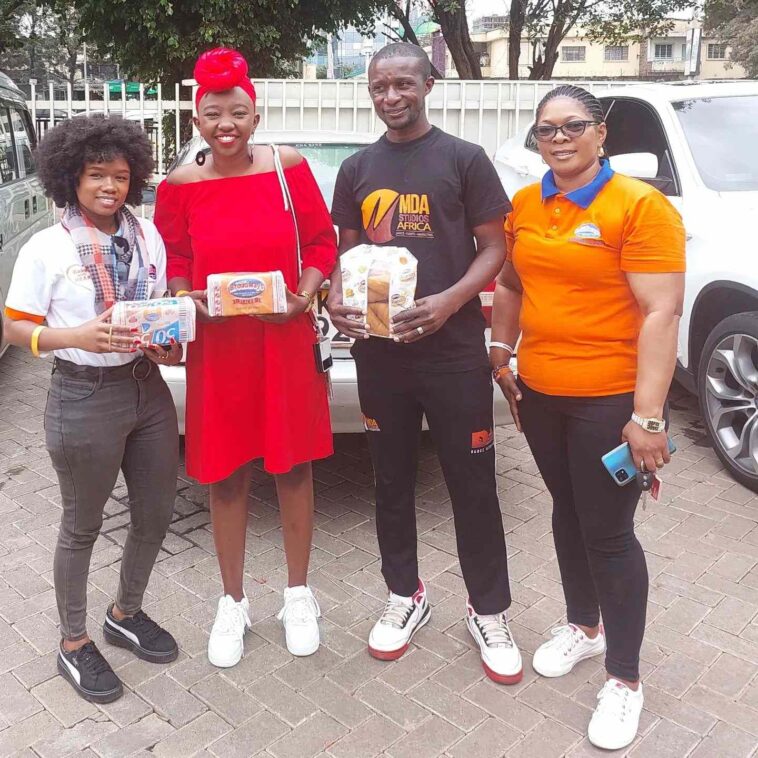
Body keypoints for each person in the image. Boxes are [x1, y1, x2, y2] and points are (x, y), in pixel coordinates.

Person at [491, 84, 685, 750]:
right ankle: (583, 625)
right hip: (541, 393)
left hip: (611, 399)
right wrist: (500, 351)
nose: (559, 138)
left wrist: (648, 418)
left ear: (601, 133)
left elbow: (661, 312)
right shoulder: (525, 204)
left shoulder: (639, 206)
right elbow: (511, 283)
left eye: (574, 125)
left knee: (608, 533)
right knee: (566, 511)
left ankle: (625, 679)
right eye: (546, 129)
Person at [329, 43, 521, 684]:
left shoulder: (464, 159)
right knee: (390, 480)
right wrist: (335, 298)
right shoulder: (356, 168)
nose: (391, 96)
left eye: (403, 84)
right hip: (381, 354)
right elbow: (348, 256)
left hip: (454, 353)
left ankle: (488, 610)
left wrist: (449, 302)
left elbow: (494, 248)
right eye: (379, 86)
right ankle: (404, 595)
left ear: (428, 85)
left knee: (473, 484)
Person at [153, 48, 337, 667]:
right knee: (226, 473)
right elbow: (176, 258)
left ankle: (298, 594)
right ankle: (232, 600)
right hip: (218, 346)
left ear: (255, 115)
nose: (225, 124)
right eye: (212, 114)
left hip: (283, 339)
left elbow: (321, 243)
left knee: (293, 467)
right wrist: (186, 298)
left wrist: (302, 298)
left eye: (237, 112)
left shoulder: (288, 168)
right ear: (197, 121)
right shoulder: (179, 186)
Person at [3, 115, 183, 703]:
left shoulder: (146, 234)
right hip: (82, 395)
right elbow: (14, 327)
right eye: (97, 174)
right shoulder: (48, 247)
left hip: (147, 389)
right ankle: (74, 642)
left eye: (121, 176)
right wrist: (76, 336)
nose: (110, 186)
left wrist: (166, 340)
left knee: (155, 513)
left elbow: (156, 304)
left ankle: (125, 613)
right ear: (71, 177)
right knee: (82, 526)